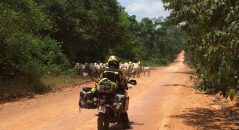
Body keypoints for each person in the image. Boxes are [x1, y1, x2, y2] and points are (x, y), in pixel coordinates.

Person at [101, 55, 130, 128]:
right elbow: (122, 82)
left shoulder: (104, 71)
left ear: (109, 63)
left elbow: (100, 80)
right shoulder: (118, 71)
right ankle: (126, 124)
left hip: (104, 92)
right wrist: (124, 86)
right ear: (116, 63)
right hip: (116, 92)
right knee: (122, 107)